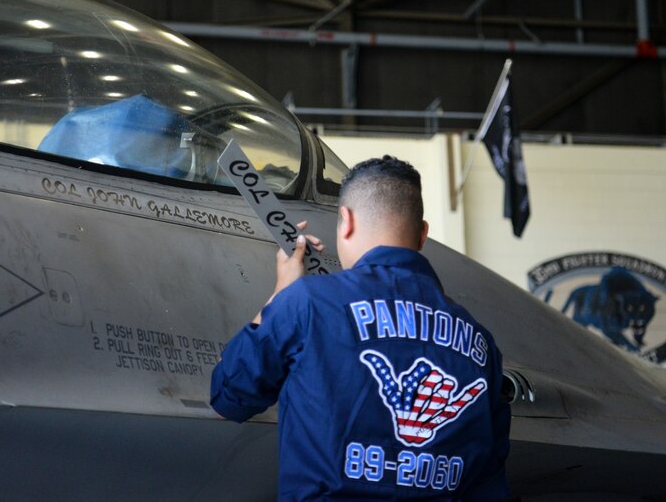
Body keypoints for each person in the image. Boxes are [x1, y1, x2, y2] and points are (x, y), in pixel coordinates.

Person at [211, 155, 510, 501]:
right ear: (423, 234)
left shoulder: (306, 303)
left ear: (346, 221)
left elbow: (229, 396)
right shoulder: (481, 343)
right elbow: (490, 482)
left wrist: (281, 294)